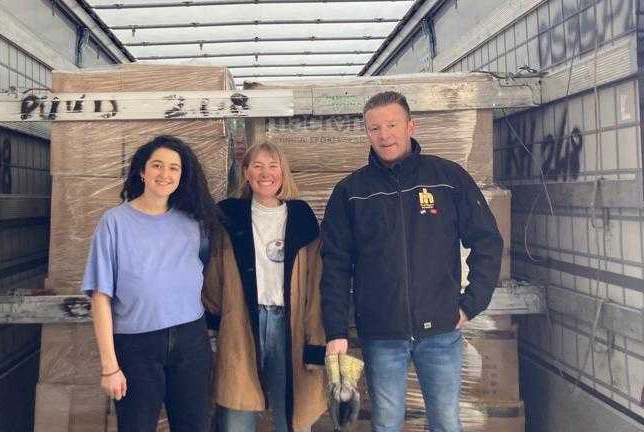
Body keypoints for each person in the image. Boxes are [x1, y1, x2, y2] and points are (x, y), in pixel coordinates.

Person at [320, 91, 503, 432]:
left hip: (441, 331)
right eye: (374, 128)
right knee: (387, 423)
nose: (384, 135)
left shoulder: (447, 178)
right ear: (367, 132)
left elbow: (487, 241)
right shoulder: (351, 191)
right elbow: (335, 265)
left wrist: (469, 305)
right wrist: (335, 330)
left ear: (410, 125)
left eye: (391, 125)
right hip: (381, 334)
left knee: (446, 422)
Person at [81, 135, 220, 432]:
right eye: (157, 165)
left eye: (174, 168)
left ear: (182, 177)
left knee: (194, 426)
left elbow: (204, 271)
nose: (165, 174)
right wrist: (110, 367)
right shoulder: (114, 223)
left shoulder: (195, 223)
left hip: (190, 342)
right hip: (136, 347)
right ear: (142, 172)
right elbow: (100, 297)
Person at [202, 140, 327, 432]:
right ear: (246, 173)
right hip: (242, 324)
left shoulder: (301, 217)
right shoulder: (228, 216)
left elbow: (315, 285)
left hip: (289, 325)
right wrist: (213, 325)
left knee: (292, 415)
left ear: (283, 173)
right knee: (236, 412)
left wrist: (315, 341)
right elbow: (214, 274)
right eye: (257, 165)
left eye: (273, 166)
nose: (265, 173)